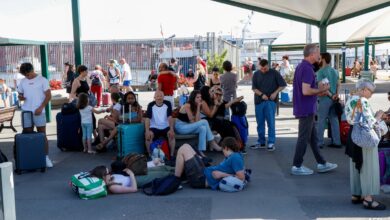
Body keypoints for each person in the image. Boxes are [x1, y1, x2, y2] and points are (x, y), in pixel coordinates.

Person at [291, 44, 337, 175]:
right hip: (306, 109)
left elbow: (305, 90)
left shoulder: (303, 67)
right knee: (304, 137)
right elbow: (305, 91)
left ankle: (322, 163)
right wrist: (321, 89)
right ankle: (297, 166)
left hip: (306, 107)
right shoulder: (306, 68)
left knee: (312, 138)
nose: (319, 55)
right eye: (317, 52)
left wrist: (318, 92)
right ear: (311, 54)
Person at [344, 79, 386, 210]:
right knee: (368, 167)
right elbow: (370, 123)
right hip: (364, 138)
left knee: (356, 165)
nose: (371, 94)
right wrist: (379, 116)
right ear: (363, 90)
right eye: (370, 91)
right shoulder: (363, 101)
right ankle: (368, 199)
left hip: (353, 136)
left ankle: (356, 194)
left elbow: (352, 119)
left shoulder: (350, 99)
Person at [174, 137, 245, 190]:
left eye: (222, 149)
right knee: (187, 146)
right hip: (203, 172)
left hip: (201, 179)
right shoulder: (232, 156)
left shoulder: (235, 157)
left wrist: (222, 175)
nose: (222, 152)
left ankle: (175, 181)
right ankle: (179, 177)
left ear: (226, 148)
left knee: (183, 149)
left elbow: (241, 177)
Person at [18, 63, 53, 167]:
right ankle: (31, 157)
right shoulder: (23, 81)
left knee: (42, 135)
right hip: (26, 111)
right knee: (27, 134)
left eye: (28, 74)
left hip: (39, 111)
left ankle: (45, 157)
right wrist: (21, 98)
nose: (27, 77)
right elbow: (20, 94)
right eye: (25, 75)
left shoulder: (42, 80)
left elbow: (48, 96)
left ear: (33, 70)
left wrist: (41, 107)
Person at [251, 59, 286, 151]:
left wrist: (275, 93)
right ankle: (261, 141)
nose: (263, 70)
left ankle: (271, 142)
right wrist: (262, 95)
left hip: (271, 101)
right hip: (259, 101)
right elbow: (254, 88)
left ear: (268, 66)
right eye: (261, 69)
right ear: (259, 66)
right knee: (260, 123)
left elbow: (282, 85)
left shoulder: (274, 73)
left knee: (271, 123)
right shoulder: (256, 74)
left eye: (265, 69)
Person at [174, 90, 221, 156]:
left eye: (200, 97)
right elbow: (193, 122)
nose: (200, 99)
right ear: (193, 98)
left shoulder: (196, 106)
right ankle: (212, 142)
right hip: (180, 127)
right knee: (204, 121)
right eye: (197, 97)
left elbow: (197, 121)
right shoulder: (187, 105)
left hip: (188, 126)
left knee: (203, 128)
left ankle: (200, 151)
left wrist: (198, 107)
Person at [202, 86, 245, 151]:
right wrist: (216, 105)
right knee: (226, 125)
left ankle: (236, 144)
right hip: (211, 122)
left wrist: (236, 100)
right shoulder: (208, 102)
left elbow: (227, 104)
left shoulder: (221, 102)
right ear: (212, 93)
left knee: (232, 125)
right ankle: (231, 145)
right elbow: (210, 115)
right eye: (217, 94)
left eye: (220, 94)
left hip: (219, 121)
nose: (218, 96)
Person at [316, 52, 342, 148]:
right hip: (334, 99)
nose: (318, 59)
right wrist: (336, 94)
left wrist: (331, 95)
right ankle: (337, 142)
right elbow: (339, 84)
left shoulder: (320, 72)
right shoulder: (335, 71)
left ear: (323, 59)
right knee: (334, 120)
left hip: (325, 99)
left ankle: (319, 142)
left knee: (321, 120)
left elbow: (323, 87)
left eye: (320, 58)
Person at [144, 91, 175, 159]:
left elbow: (170, 117)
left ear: (163, 97)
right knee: (148, 136)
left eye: (161, 96)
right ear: (154, 97)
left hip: (165, 126)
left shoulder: (167, 103)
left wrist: (171, 129)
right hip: (154, 127)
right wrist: (147, 131)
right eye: (157, 96)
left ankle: (172, 155)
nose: (159, 98)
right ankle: (150, 155)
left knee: (171, 135)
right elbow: (147, 119)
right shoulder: (151, 105)